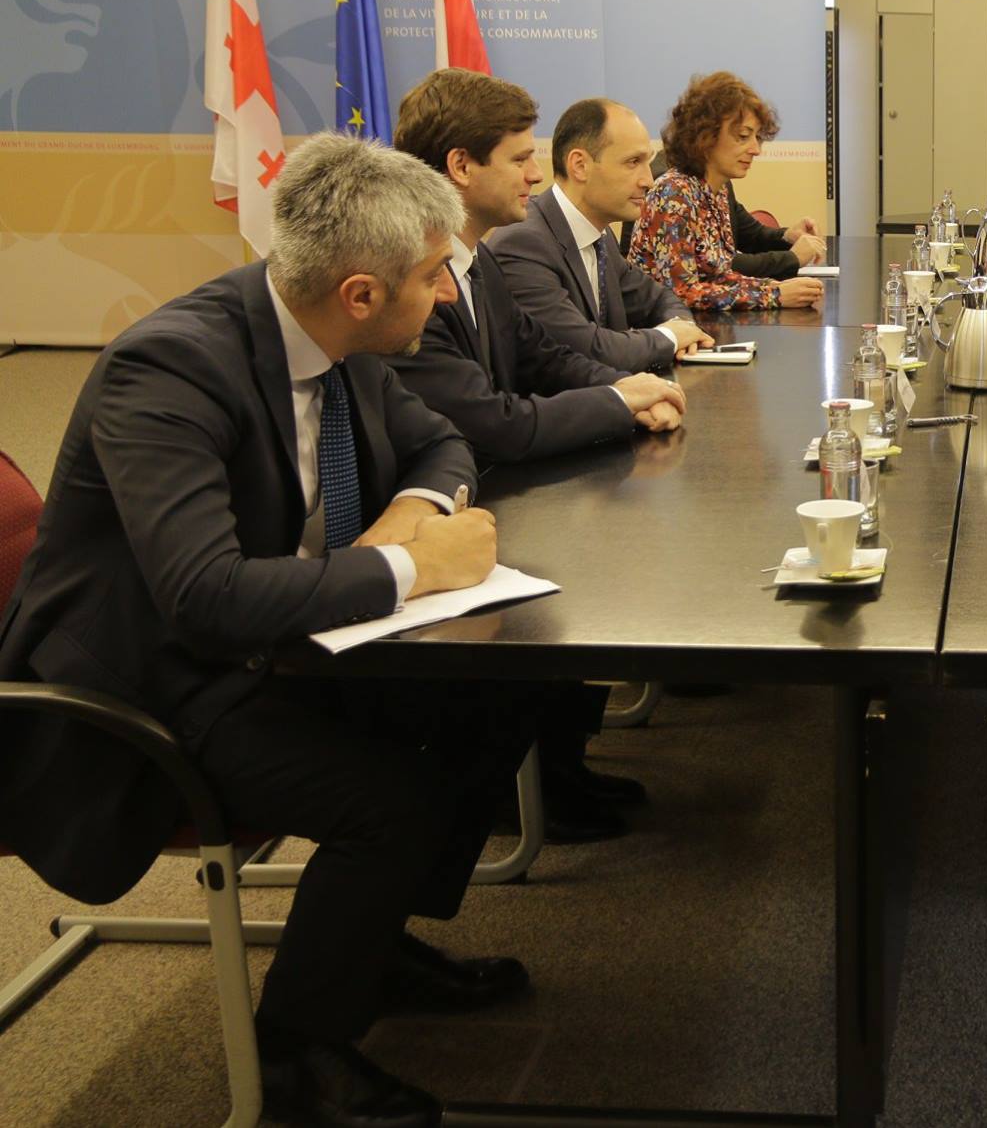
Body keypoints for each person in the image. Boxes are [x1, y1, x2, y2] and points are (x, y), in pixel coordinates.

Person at [0, 134, 534, 1128]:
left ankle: (366, 942)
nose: (447, 296)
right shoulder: (167, 369)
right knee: (391, 802)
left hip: (278, 637)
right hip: (153, 684)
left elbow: (442, 441)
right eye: (433, 275)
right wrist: (413, 568)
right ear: (362, 293)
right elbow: (204, 598)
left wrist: (405, 520)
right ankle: (296, 1058)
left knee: (504, 695)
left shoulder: (332, 338)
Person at [392, 68, 682, 844]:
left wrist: (630, 391)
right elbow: (495, 424)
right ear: (460, 167)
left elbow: (542, 355)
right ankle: (523, 786)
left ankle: (561, 765)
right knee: (577, 561)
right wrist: (619, 401)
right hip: (451, 507)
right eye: (521, 157)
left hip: (493, 486)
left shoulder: (475, 257)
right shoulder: (416, 277)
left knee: (596, 549)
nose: (535, 173)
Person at [493, 97, 717, 372]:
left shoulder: (600, 235)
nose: (648, 180)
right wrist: (672, 337)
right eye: (633, 162)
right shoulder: (523, 244)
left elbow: (658, 299)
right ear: (580, 165)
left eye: (646, 162)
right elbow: (587, 351)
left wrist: (682, 328)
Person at [626, 72, 825, 312]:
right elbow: (682, 293)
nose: (756, 149)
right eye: (743, 136)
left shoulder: (715, 190)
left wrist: (773, 287)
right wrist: (774, 294)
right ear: (705, 136)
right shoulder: (672, 193)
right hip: (662, 327)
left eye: (757, 138)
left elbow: (721, 275)